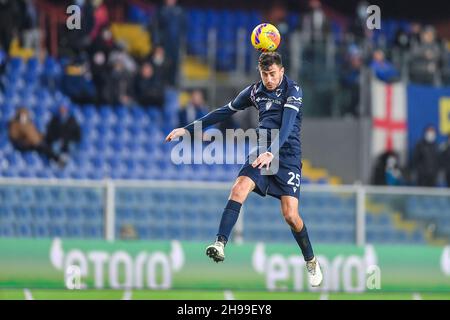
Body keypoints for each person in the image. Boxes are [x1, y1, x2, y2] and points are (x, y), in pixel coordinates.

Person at [165, 52, 323, 287]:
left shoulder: (293, 90)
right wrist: (187, 130)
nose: (268, 79)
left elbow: (288, 125)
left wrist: (273, 151)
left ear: (282, 71)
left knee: (291, 215)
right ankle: (220, 243)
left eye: (272, 74)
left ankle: (310, 260)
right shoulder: (254, 91)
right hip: (261, 152)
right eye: (264, 74)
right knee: (238, 188)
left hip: (286, 155)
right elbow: (222, 112)